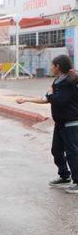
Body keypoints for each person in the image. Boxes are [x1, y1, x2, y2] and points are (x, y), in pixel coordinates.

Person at [17, 55, 78, 193]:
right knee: (56, 150)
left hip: (71, 123)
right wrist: (26, 100)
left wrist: (50, 95)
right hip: (60, 123)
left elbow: (58, 101)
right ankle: (64, 176)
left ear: (57, 67)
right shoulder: (57, 82)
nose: (50, 68)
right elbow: (47, 98)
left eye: (52, 65)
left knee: (72, 153)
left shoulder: (69, 82)